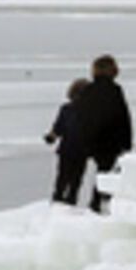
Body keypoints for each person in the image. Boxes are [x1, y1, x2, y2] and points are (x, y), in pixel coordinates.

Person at [79, 54, 132, 212]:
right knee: (107, 170)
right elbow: (122, 117)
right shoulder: (115, 90)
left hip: (93, 139)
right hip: (111, 138)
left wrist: (84, 138)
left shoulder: (87, 91)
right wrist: (126, 141)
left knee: (103, 169)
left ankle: (99, 200)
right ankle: (100, 201)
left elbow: (82, 116)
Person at [44, 77, 88, 205]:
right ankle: (68, 202)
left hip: (68, 149)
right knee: (75, 180)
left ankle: (59, 201)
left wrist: (51, 137)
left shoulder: (66, 109)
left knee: (63, 178)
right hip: (79, 150)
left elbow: (58, 128)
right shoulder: (88, 111)